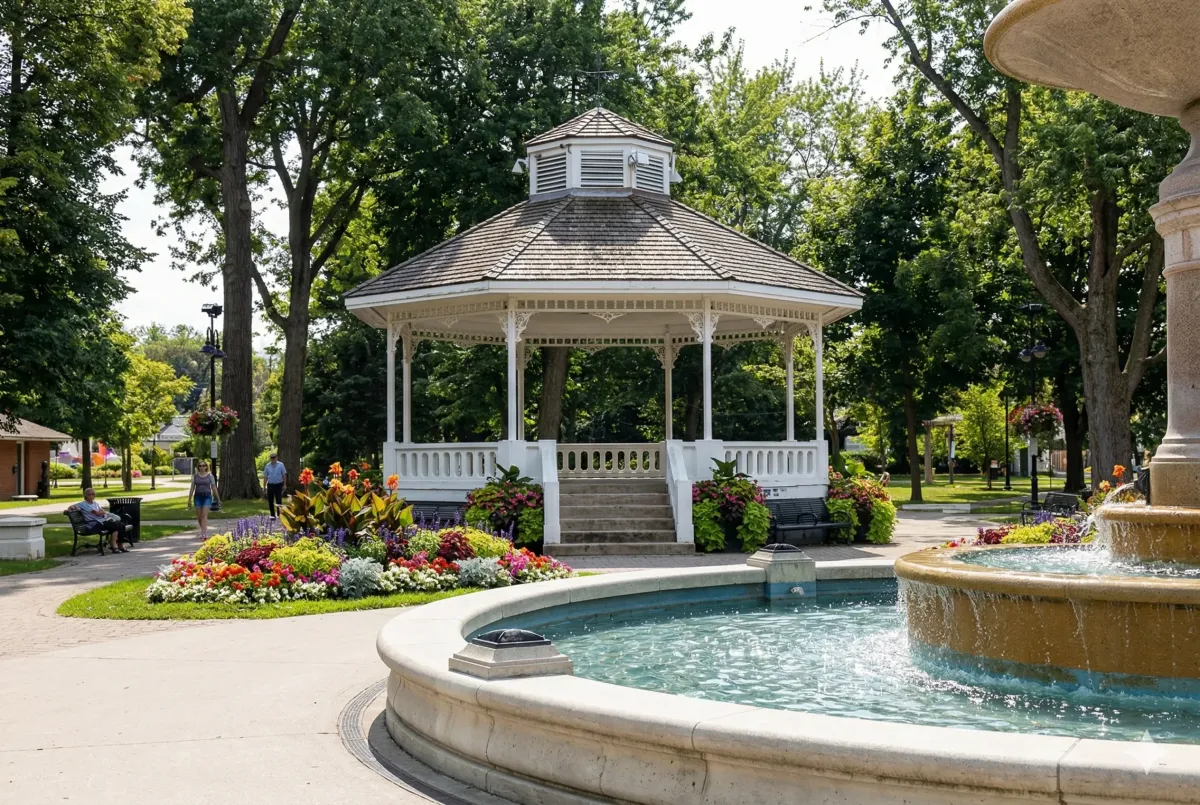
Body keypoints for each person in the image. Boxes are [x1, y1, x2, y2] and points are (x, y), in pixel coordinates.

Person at [70, 488, 127, 553]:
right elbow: (72, 506)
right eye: (89, 494)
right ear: (86, 496)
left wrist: (100, 512)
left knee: (121, 525)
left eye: (93, 494)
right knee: (115, 525)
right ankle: (113, 545)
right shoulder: (83, 504)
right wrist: (71, 509)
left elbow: (102, 511)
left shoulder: (95, 503)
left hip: (101, 521)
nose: (91, 496)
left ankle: (120, 546)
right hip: (94, 524)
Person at [188, 461, 220, 538]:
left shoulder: (210, 476)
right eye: (200, 466)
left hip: (207, 497)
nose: (202, 467)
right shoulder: (195, 476)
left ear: (206, 467)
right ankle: (203, 529)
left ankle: (204, 533)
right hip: (198, 497)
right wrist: (189, 499)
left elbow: (213, 487)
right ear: (198, 467)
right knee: (199, 516)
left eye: (203, 466)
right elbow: (192, 487)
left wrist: (218, 498)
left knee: (203, 515)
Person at [262, 452, 288, 518]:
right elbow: (265, 477)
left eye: (274, 458)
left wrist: (285, 484)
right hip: (270, 485)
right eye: (272, 458)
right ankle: (272, 515)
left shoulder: (281, 465)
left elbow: (284, 475)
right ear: (270, 459)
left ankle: (279, 515)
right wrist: (264, 486)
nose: (273, 459)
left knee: (279, 500)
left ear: (277, 458)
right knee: (270, 500)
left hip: (278, 485)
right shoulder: (267, 466)